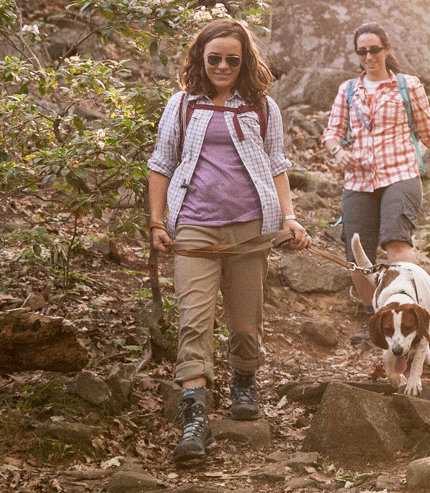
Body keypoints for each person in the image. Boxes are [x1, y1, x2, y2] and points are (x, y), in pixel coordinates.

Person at [147, 18, 311, 464]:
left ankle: (243, 381)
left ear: (244, 62)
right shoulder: (182, 105)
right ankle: (195, 417)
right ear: (201, 58)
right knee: (194, 320)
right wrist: (158, 223)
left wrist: (291, 218)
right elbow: (161, 163)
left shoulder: (263, 108)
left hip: (250, 228)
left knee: (245, 320)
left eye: (231, 60)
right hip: (195, 228)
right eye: (214, 57)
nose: (222, 65)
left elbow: (277, 164)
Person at [320, 22, 430, 343]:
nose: (368, 56)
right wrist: (337, 152)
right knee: (357, 255)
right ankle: (379, 320)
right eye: (362, 51)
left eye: (374, 49)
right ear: (356, 54)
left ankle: (413, 317)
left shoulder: (407, 86)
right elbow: (331, 132)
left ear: (387, 50)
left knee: (397, 243)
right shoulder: (348, 90)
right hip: (358, 180)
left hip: (401, 173)